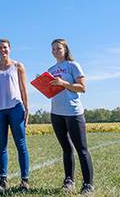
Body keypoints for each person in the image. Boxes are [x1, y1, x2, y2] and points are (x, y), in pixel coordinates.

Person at [48, 39, 94, 195]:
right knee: (66, 149)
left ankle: (88, 185)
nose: (55, 51)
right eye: (53, 49)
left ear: (65, 49)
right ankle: (69, 181)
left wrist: (63, 83)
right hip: (56, 112)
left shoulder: (73, 65)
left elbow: (82, 88)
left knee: (82, 149)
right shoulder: (51, 69)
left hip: (73, 112)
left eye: (58, 48)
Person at [0, 38, 30, 191]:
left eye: (5, 47)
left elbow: (24, 89)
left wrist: (27, 109)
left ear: (10, 49)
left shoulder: (18, 66)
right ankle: (3, 179)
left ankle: (25, 180)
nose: (2, 50)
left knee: (21, 144)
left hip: (16, 108)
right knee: (1, 145)